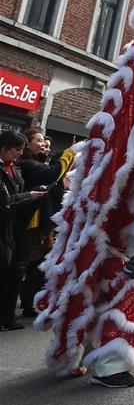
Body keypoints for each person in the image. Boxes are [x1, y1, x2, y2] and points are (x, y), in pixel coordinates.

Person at [16, 129, 73, 318]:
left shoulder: (36, 164)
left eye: (45, 142)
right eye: (39, 141)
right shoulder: (29, 165)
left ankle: (30, 303)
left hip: (40, 223)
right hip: (30, 223)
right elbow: (52, 174)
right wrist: (69, 152)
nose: (43, 145)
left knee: (35, 266)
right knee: (25, 266)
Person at [0, 131, 47, 331]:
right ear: (4, 148)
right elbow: (6, 202)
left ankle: (5, 318)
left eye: (21, 149)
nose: (20, 153)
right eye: (16, 149)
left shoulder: (13, 168)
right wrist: (30, 195)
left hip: (9, 228)